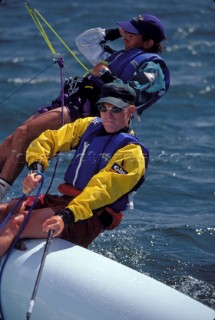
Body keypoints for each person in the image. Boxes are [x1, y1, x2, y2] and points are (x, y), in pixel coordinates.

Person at [0, 13, 170, 203]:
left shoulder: (153, 66)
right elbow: (85, 41)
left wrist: (105, 75)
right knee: (11, 141)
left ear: (148, 43)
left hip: (88, 111)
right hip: (71, 102)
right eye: (126, 31)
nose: (126, 35)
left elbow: (134, 94)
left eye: (132, 33)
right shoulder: (117, 56)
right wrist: (117, 32)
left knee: (24, 134)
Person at [0, 82, 149, 257]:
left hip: (87, 216)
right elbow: (49, 140)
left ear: (130, 111)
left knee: (16, 223)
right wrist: (36, 169)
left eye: (115, 109)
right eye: (103, 107)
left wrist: (66, 216)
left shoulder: (132, 154)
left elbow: (100, 192)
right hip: (64, 201)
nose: (108, 115)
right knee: (3, 211)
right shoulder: (88, 126)